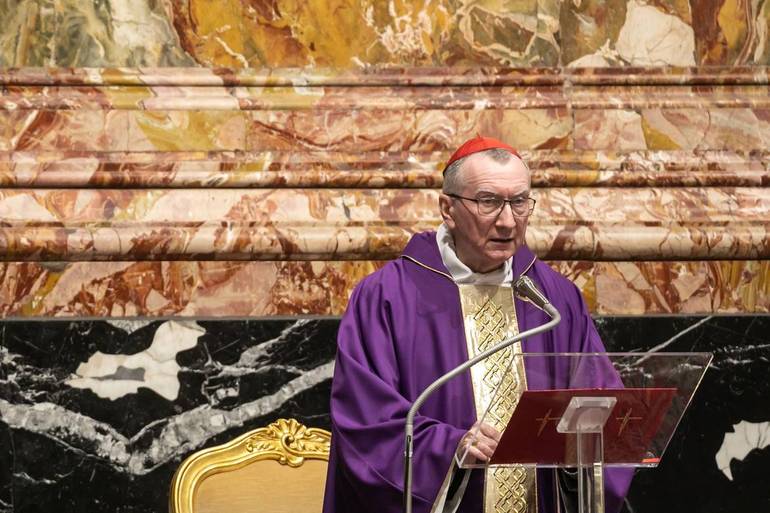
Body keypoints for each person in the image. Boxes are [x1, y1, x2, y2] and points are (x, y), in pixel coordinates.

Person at [322, 136, 632, 513]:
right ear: (447, 208)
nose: (507, 221)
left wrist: (583, 449)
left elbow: (602, 406)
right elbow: (365, 422)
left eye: (519, 202)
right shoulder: (387, 297)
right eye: (488, 202)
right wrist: (448, 449)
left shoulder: (555, 298)